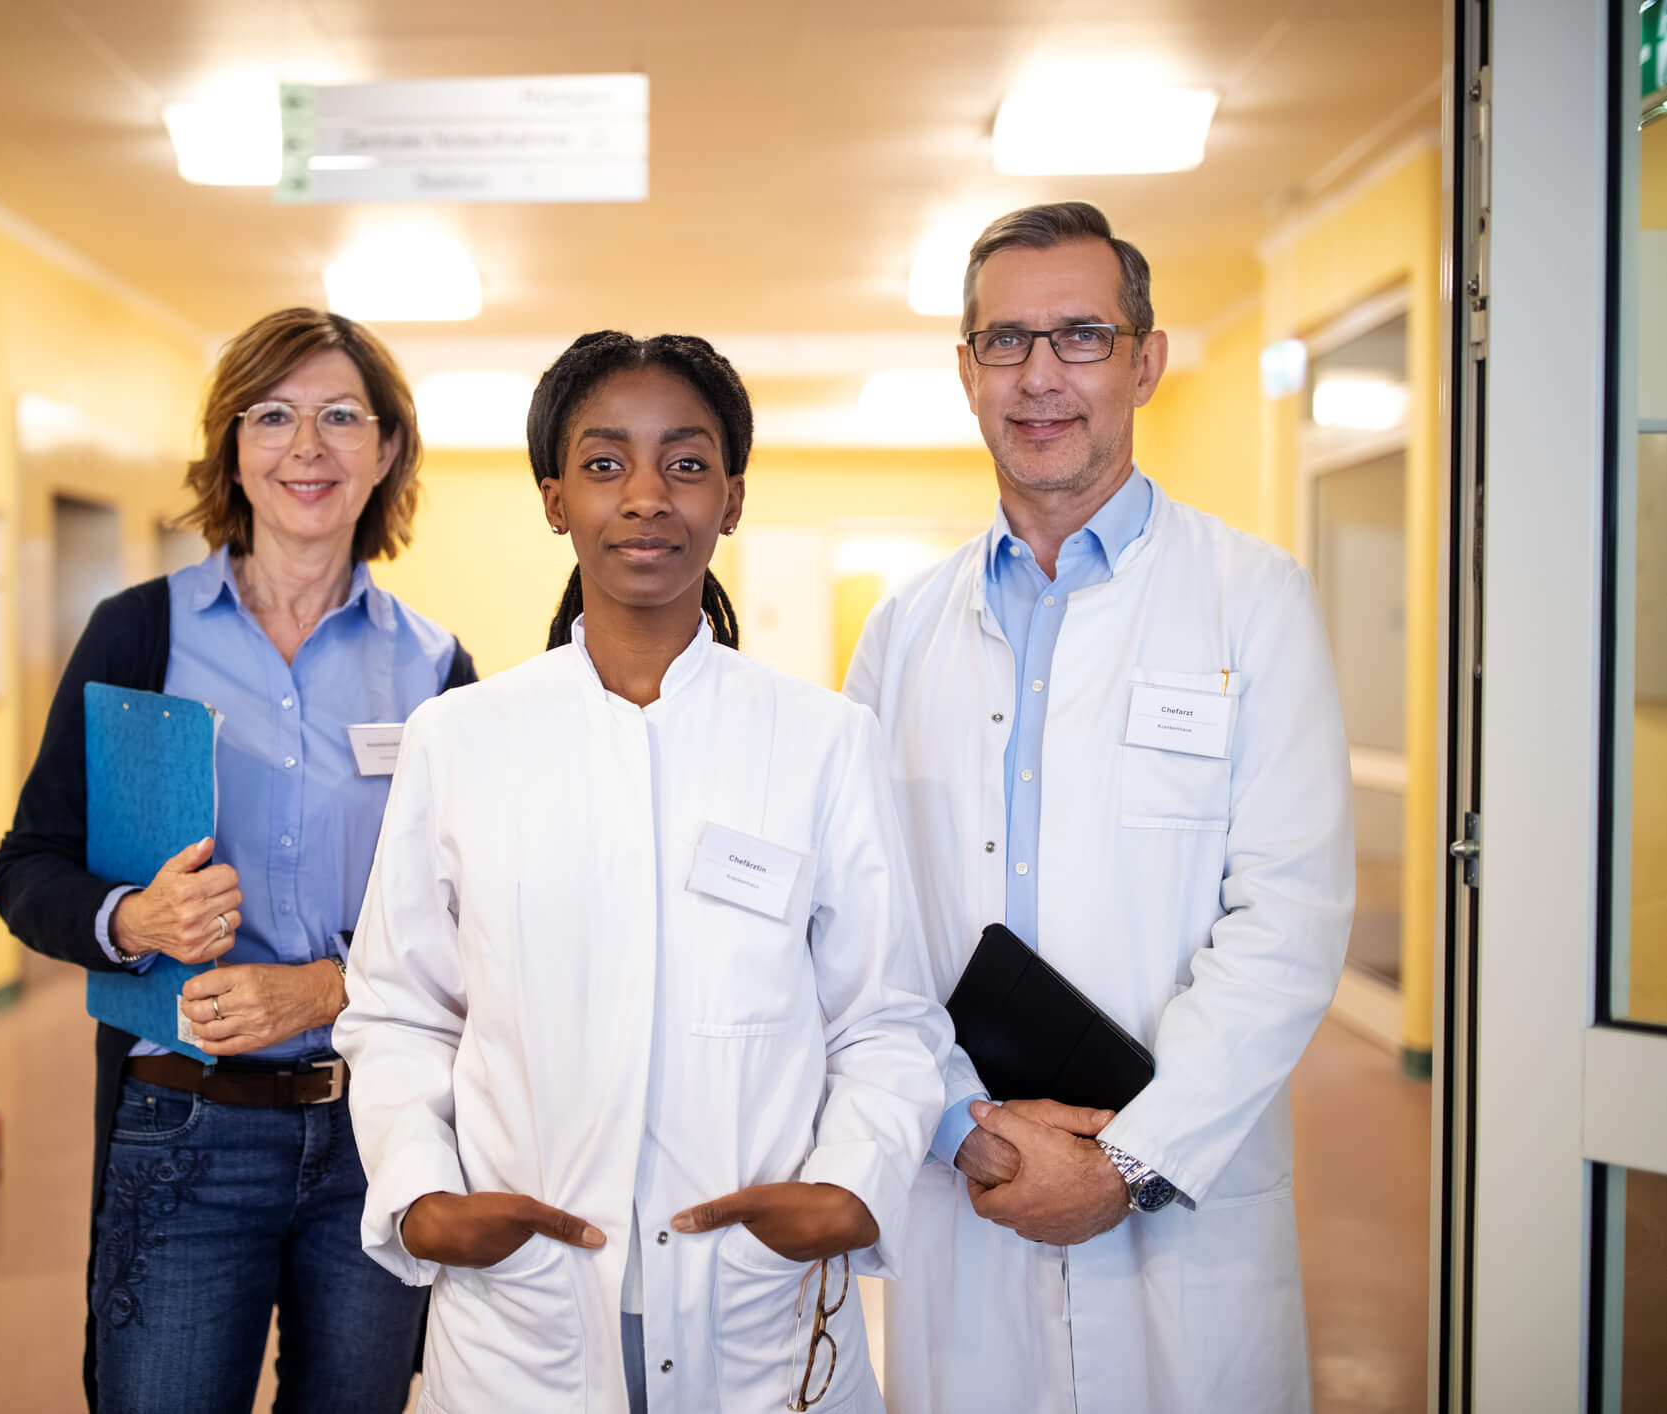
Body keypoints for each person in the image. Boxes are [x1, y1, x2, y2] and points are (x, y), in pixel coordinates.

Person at [331, 331, 950, 1414]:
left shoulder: (820, 739)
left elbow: (884, 1018)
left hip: (757, 1297)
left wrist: (851, 1184)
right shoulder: (462, 738)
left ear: (734, 497)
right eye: (606, 463)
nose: (649, 496)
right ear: (554, 498)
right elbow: (396, 1011)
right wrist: (422, 1191)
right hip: (522, 1303)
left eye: (688, 461)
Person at [844, 200, 1355, 1414]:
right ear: (965, 372)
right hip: (972, 1167)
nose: (1041, 377)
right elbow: (863, 927)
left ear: (1146, 358)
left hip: (1183, 1195)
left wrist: (1127, 1159)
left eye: (1080, 335)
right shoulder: (902, 632)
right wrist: (968, 1123)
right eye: (1006, 343)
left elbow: (1286, 922)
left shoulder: (1251, 600)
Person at [0, 307, 477, 1413]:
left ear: (387, 448)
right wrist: (133, 917)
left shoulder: (440, 671)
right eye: (274, 415)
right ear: (233, 445)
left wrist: (329, 985)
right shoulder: (138, 633)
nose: (307, 447)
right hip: (183, 1126)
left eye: (342, 416)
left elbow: (480, 927)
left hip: (377, 1129)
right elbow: (28, 867)